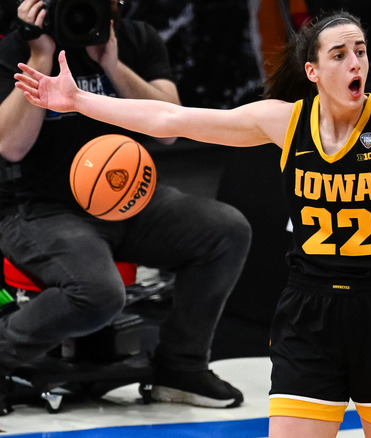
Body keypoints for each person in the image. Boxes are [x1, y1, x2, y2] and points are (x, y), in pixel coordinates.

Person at [14, 10, 371, 437]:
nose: (355, 61)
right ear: (313, 72)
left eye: (359, 50)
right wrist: (80, 100)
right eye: (340, 54)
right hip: (307, 310)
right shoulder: (284, 121)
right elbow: (172, 119)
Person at [0, 0, 251, 415]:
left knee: (225, 230)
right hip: (40, 208)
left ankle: (180, 368)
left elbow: (171, 128)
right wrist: (41, 57)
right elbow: (11, 146)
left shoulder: (137, 39)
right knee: (96, 293)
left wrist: (113, 66)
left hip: (127, 200)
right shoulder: (19, 47)